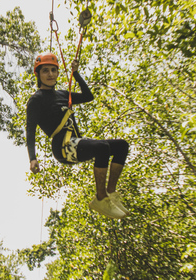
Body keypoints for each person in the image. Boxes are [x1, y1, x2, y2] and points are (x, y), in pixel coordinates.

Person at [26, 52, 130, 219]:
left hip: (76, 142)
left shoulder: (62, 94)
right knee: (102, 148)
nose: (50, 74)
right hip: (62, 147)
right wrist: (32, 158)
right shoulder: (36, 100)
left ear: (58, 73)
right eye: (45, 71)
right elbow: (30, 130)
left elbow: (88, 96)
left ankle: (110, 192)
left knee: (121, 146)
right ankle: (100, 198)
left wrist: (76, 74)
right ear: (38, 74)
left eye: (53, 70)